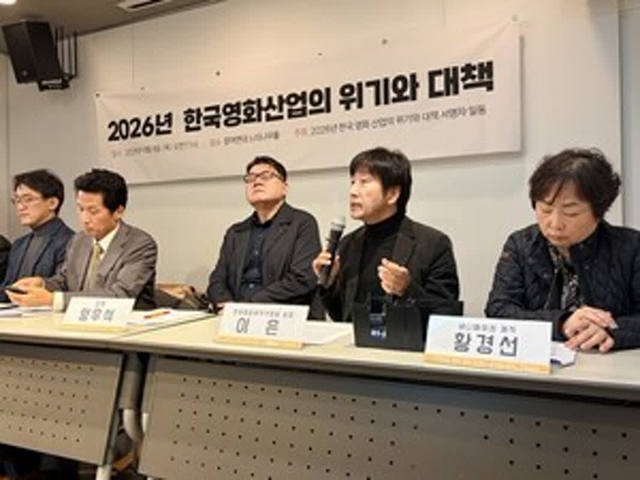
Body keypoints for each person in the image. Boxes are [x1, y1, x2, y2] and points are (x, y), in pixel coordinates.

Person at [485, 148, 640, 352]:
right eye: (545, 209)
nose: (555, 223)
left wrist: (612, 331)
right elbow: (498, 309)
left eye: (571, 212)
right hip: (541, 363)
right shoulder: (521, 245)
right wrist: (561, 323)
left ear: (599, 211)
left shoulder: (631, 247)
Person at [312, 147, 462, 323]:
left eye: (364, 182)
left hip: (406, 340)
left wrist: (406, 290)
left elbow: (446, 316)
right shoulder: (347, 244)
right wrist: (329, 284)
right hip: (355, 340)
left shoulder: (433, 244)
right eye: (352, 182)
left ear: (392, 194)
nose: (353, 191)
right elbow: (342, 316)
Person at [7, 169, 157, 310]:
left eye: (93, 211)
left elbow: (120, 296)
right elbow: (64, 281)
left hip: (127, 325)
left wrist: (53, 299)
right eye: (80, 209)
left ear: (118, 211)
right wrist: (42, 283)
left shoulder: (139, 244)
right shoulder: (79, 240)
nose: (85, 219)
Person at [207, 155, 322, 317]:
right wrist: (225, 304)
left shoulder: (302, 223)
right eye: (250, 178)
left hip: (282, 316)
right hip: (233, 317)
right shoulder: (236, 232)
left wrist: (246, 307)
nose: (257, 182)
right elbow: (217, 279)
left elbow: (302, 279)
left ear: (285, 188)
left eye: (266, 176)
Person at [0, 169, 73, 301]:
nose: (21, 207)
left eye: (28, 199)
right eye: (17, 200)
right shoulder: (19, 244)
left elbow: (64, 287)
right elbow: (7, 289)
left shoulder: (71, 241)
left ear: (52, 203)